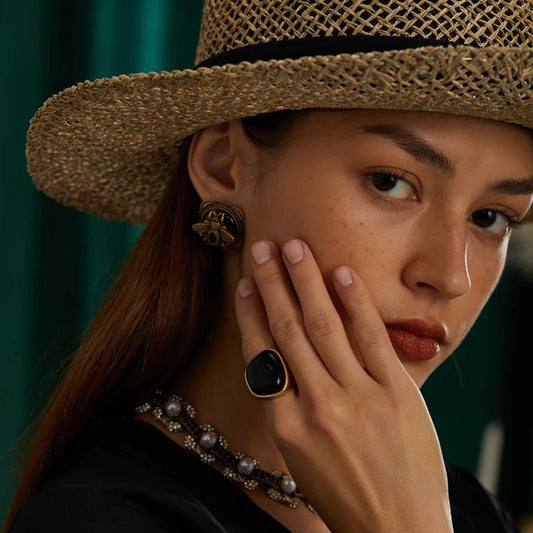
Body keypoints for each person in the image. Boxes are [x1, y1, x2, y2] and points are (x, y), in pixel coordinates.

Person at [5, 0, 533, 531]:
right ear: (223, 165)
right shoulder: (97, 519)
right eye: (390, 182)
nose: (450, 276)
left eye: (491, 218)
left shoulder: (471, 514)